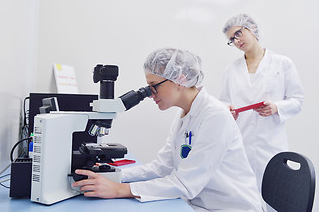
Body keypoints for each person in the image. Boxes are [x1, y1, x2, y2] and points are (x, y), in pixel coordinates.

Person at [73, 48, 263, 211]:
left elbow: (185, 183)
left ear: (179, 79)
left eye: (153, 86)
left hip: (232, 208)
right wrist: (113, 175)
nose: (150, 94)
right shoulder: (184, 115)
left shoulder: (215, 115)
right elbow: (162, 167)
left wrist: (118, 190)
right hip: (200, 205)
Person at [220, 14, 305, 191]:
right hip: (241, 145)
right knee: (245, 197)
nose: (236, 41)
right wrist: (227, 110)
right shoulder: (231, 69)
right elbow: (225, 101)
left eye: (238, 34)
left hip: (271, 144)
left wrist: (277, 107)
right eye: (231, 40)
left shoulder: (282, 63)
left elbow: (297, 100)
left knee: (274, 193)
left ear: (251, 29)